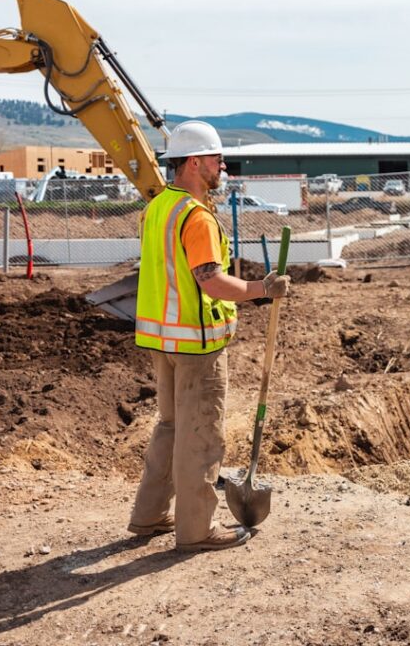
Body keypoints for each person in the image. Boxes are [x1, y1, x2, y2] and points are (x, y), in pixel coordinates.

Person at [128, 120, 290, 552]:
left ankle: (149, 516)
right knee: (200, 435)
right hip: (197, 345)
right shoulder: (195, 217)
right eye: (218, 159)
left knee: (169, 427)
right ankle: (197, 530)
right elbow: (210, 281)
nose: (223, 166)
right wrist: (261, 290)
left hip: (163, 339)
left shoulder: (158, 207)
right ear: (196, 162)